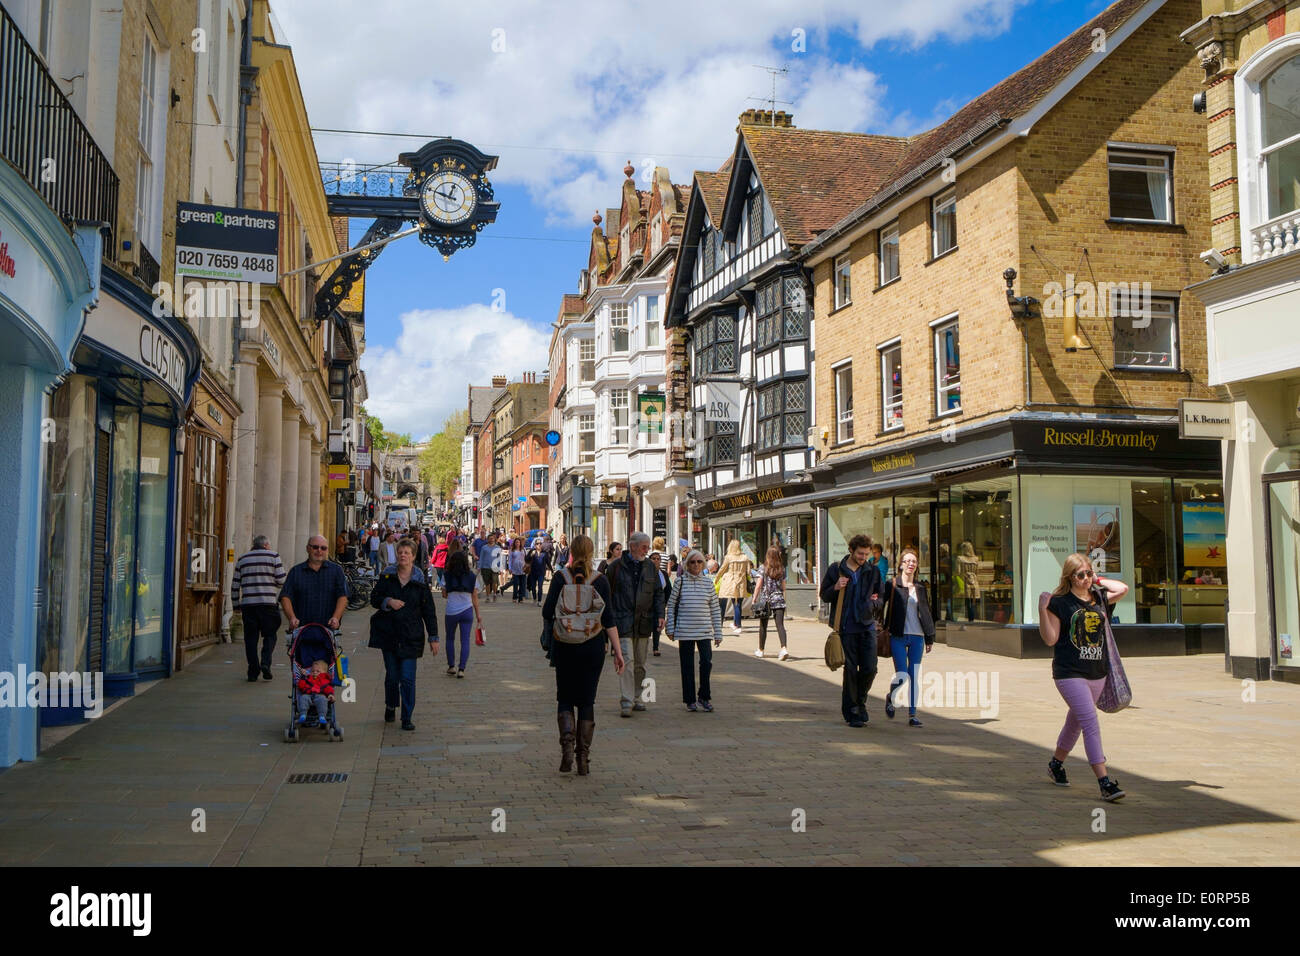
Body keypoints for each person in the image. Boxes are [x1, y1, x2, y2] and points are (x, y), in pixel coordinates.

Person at [1038, 553, 1130, 801]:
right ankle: (1104, 781)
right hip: (1069, 672)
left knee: (1075, 722)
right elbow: (1050, 639)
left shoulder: (1099, 598)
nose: (1087, 578)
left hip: (1097, 672)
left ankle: (1056, 765)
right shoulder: (1060, 602)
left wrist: (1098, 578)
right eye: (1081, 575)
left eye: (1089, 573)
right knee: (1090, 722)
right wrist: (1042, 611)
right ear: (1070, 577)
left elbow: (1122, 588)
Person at [543, 535, 624, 775]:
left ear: (571, 551)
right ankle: (583, 759)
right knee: (587, 701)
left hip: (565, 645)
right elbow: (609, 619)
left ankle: (567, 749)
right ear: (590, 553)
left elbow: (547, 612)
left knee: (565, 698)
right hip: (592, 646)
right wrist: (618, 652)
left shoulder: (560, 578)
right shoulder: (600, 580)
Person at [368, 538, 439, 730]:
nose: (403, 556)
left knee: (407, 678)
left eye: (407, 553)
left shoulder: (420, 582)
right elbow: (374, 598)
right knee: (392, 676)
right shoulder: (387, 577)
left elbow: (429, 611)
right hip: (389, 634)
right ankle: (391, 705)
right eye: (400, 552)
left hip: (411, 635)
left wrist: (434, 638)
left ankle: (407, 716)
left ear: (413, 556)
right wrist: (388, 601)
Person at [818, 533, 884, 728]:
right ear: (851, 551)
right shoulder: (837, 569)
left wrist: (875, 604)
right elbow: (824, 595)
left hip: (867, 626)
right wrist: (836, 587)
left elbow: (881, 596)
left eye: (866, 554)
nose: (863, 558)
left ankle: (861, 701)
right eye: (860, 554)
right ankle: (852, 711)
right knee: (851, 670)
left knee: (870, 667)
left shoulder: (872, 571)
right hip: (846, 627)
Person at [606, 532, 665, 718]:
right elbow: (607, 595)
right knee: (627, 661)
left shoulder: (650, 567)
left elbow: (658, 594)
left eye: (647, 547)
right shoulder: (616, 567)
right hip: (622, 621)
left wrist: (660, 615)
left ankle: (638, 697)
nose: (647, 550)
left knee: (640, 663)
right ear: (632, 546)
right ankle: (626, 700)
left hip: (643, 622)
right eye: (644, 547)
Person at [881, 548, 935, 726]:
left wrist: (929, 637)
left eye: (914, 561)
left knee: (914, 675)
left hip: (917, 636)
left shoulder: (920, 588)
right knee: (902, 674)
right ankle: (891, 696)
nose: (911, 564)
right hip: (897, 635)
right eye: (908, 561)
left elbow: (926, 613)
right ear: (901, 564)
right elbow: (881, 604)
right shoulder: (893, 584)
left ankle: (913, 715)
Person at [664, 550, 723, 712]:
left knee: (706, 663)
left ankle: (704, 696)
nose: (696, 565)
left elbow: (715, 610)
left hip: (704, 630)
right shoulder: (680, 582)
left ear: (703, 564)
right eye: (692, 562)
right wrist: (670, 629)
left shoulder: (708, 584)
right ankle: (689, 699)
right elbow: (672, 605)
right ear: (687, 564)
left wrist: (718, 632)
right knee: (687, 666)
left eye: (699, 562)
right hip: (685, 631)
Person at [232, 535, 287, 682]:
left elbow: (235, 585)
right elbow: (281, 580)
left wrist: (235, 605)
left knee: (250, 639)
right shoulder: (274, 556)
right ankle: (265, 662)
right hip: (268, 604)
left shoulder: (242, 559)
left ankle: (253, 670)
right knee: (270, 635)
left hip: (248, 605)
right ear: (266, 545)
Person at [280, 536, 350, 634]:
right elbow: (285, 596)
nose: (319, 551)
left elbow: (343, 596)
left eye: (323, 548)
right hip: (301, 630)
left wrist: (336, 618)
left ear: (327, 550)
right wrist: (292, 618)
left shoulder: (336, 571)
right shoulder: (296, 571)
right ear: (308, 548)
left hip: (328, 630)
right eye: (315, 547)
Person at [441, 546, 481, 678]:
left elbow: (444, 595)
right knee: (465, 640)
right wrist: (478, 615)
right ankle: (462, 669)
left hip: (451, 611)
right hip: (467, 610)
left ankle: (451, 666)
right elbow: (475, 597)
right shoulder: (472, 576)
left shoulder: (446, 575)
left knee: (450, 639)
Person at [754, 546, 789, 660]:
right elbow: (784, 587)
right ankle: (784, 649)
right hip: (778, 599)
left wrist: (755, 597)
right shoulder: (782, 569)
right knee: (780, 625)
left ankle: (761, 650)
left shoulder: (763, 568)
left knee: (763, 626)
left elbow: (759, 585)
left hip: (766, 600)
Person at [716, 539, 753, 635]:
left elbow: (722, 569)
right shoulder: (745, 557)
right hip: (742, 582)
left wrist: (716, 579)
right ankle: (736, 623)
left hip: (731, 582)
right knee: (738, 603)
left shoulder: (729, 557)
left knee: (734, 602)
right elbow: (749, 572)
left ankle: (738, 625)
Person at [295, 658, 334, 727]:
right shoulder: (307, 678)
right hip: (307, 694)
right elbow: (301, 686)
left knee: (323, 700)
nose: (315, 672)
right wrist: (303, 677)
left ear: (324, 672)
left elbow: (328, 688)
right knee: (303, 698)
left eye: (318, 671)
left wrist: (330, 694)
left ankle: (322, 716)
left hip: (320, 695)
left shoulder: (325, 680)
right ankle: (303, 714)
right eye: (312, 671)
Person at [957, 540, 982, 621]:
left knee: (966, 603)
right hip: (974, 582)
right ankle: (973, 619)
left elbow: (958, 572)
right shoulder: (976, 559)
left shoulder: (960, 558)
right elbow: (977, 572)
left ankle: (968, 619)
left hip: (964, 582)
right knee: (973, 602)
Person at [649, 551, 668, 657]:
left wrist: (664, 602)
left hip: (659, 604)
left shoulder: (663, 574)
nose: (656, 560)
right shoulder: (646, 572)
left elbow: (668, 589)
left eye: (658, 559)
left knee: (658, 626)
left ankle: (655, 647)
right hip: (647, 605)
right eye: (654, 558)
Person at [527, 539, 547, 605]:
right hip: (533, 572)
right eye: (537, 543)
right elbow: (526, 559)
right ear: (535, 545)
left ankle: (539, 601)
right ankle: (534, 598)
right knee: (533, 587)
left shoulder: (544, 553)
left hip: (541, 573)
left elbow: (548, 562)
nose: (539, 545)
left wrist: (552, 571)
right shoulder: (532, 551)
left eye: (540, 543)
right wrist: (531, 555)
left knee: (540, 587)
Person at [508, 538, 527, 603]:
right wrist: (510, 568)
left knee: (522, 584)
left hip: (523, 569)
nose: (517, 543)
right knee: (516, 584)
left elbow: (526, 559)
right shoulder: (512, 550)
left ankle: (521, 598)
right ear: (514, 543)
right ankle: (515, 597)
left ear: (520, 543)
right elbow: (510, 560)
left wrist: (526, 566)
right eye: (516, 542)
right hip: (515, 569)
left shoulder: (523, 549)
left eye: (518, 542)